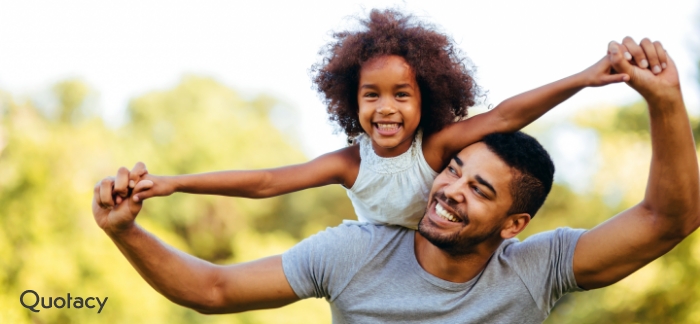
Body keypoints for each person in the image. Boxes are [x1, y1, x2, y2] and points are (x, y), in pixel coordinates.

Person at [93, 38, 699, 323]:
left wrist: (663, 100)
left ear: (516, 224)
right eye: (454, 171)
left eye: (481, 190)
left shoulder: (534, 268)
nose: (452, 187)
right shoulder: (353, 251)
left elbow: (668, 220)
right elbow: (215, 289)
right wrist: (130, 228)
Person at [114, 9, 633, 230]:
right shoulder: (349, 163)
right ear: (351, 101)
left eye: (401, 94)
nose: (386, 108)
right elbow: (269, 182)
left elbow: (505, 115)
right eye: (371, 95)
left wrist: (583, 78)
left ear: (425, 99)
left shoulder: (435, 150)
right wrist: (175, 183)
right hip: (379, 270)